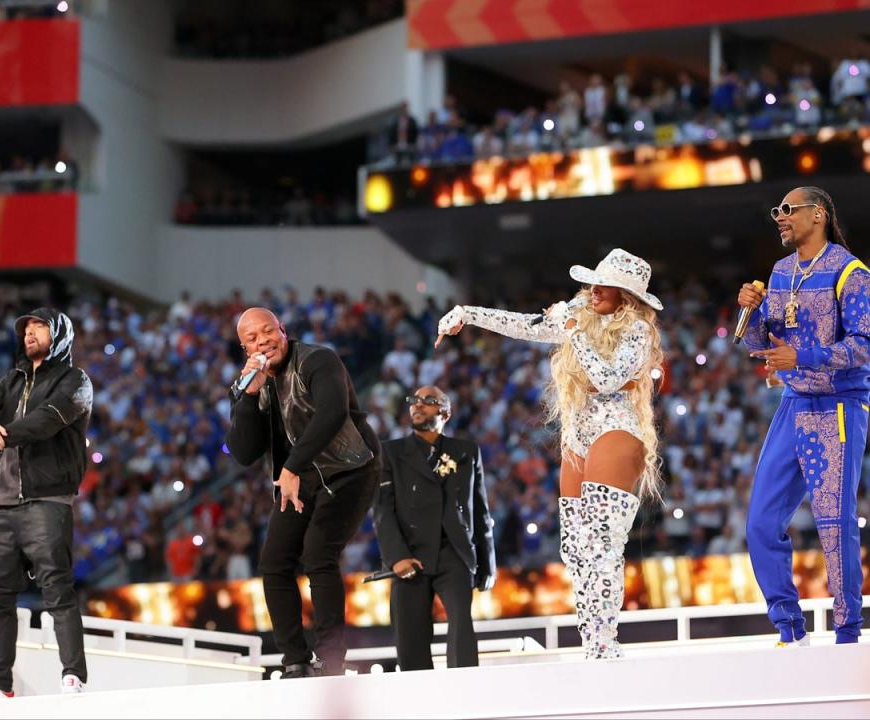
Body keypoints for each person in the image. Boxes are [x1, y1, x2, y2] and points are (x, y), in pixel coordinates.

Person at [436, 248, 664, 659]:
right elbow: (528, 325)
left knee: (602, 544)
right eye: (593, 281)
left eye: (604, 285)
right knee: (575, 547)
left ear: (626, 295)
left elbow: (608, 379)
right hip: (578, 434)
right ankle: (592, 644)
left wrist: (574, 328)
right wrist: (467, 313)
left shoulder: (638, 331)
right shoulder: (583, 317)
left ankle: (605, 647)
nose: (593, 289)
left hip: (618, 428)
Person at [737, 186, 868, 646]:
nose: (780, 217)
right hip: (793, 402)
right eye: (778, 210)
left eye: (789, 210)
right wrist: (751, 315)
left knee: (834, 521)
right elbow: (763, 347)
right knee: (760, 523)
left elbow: (864, 346)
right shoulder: (779, 272)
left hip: (837, 404)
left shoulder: (851, 273)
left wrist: (804, 357)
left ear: (819, 214)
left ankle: (848, 633)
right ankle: (790, 629)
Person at [225, 308, 380, 678]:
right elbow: (243, 452)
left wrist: (291, 467)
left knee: (317, 554)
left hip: (350, 469)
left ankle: (330, 659)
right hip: (302, 477)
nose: (262, 341)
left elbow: (332, 412)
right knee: (274, 564)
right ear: (243, 346)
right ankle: (294, 659)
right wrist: (247, 397)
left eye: (268, 332)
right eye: (252, 338)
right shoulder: (252, 381)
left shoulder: (317, 359)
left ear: (283, 331)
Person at [0, 308, 92, 698]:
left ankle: (73, 678)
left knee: (57, 591)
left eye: (39, 327)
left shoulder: (75, 381)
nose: (30, 333)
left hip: (47, 499)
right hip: (0, 504)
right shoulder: (12, 380)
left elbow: (43, 423)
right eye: (26, 329)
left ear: (60, 334)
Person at [374, 385, 495, 671]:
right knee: (410, 638)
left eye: (428, 401)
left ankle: (465, 696)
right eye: (414, 400)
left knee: (461, 628)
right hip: (409, 555)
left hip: (454, 552)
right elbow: (382, 511)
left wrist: (487, 564)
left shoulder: (466, 452)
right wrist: (397, 557)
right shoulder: (390, 453)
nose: (418, 405)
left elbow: (480, 510)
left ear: (445, 412)